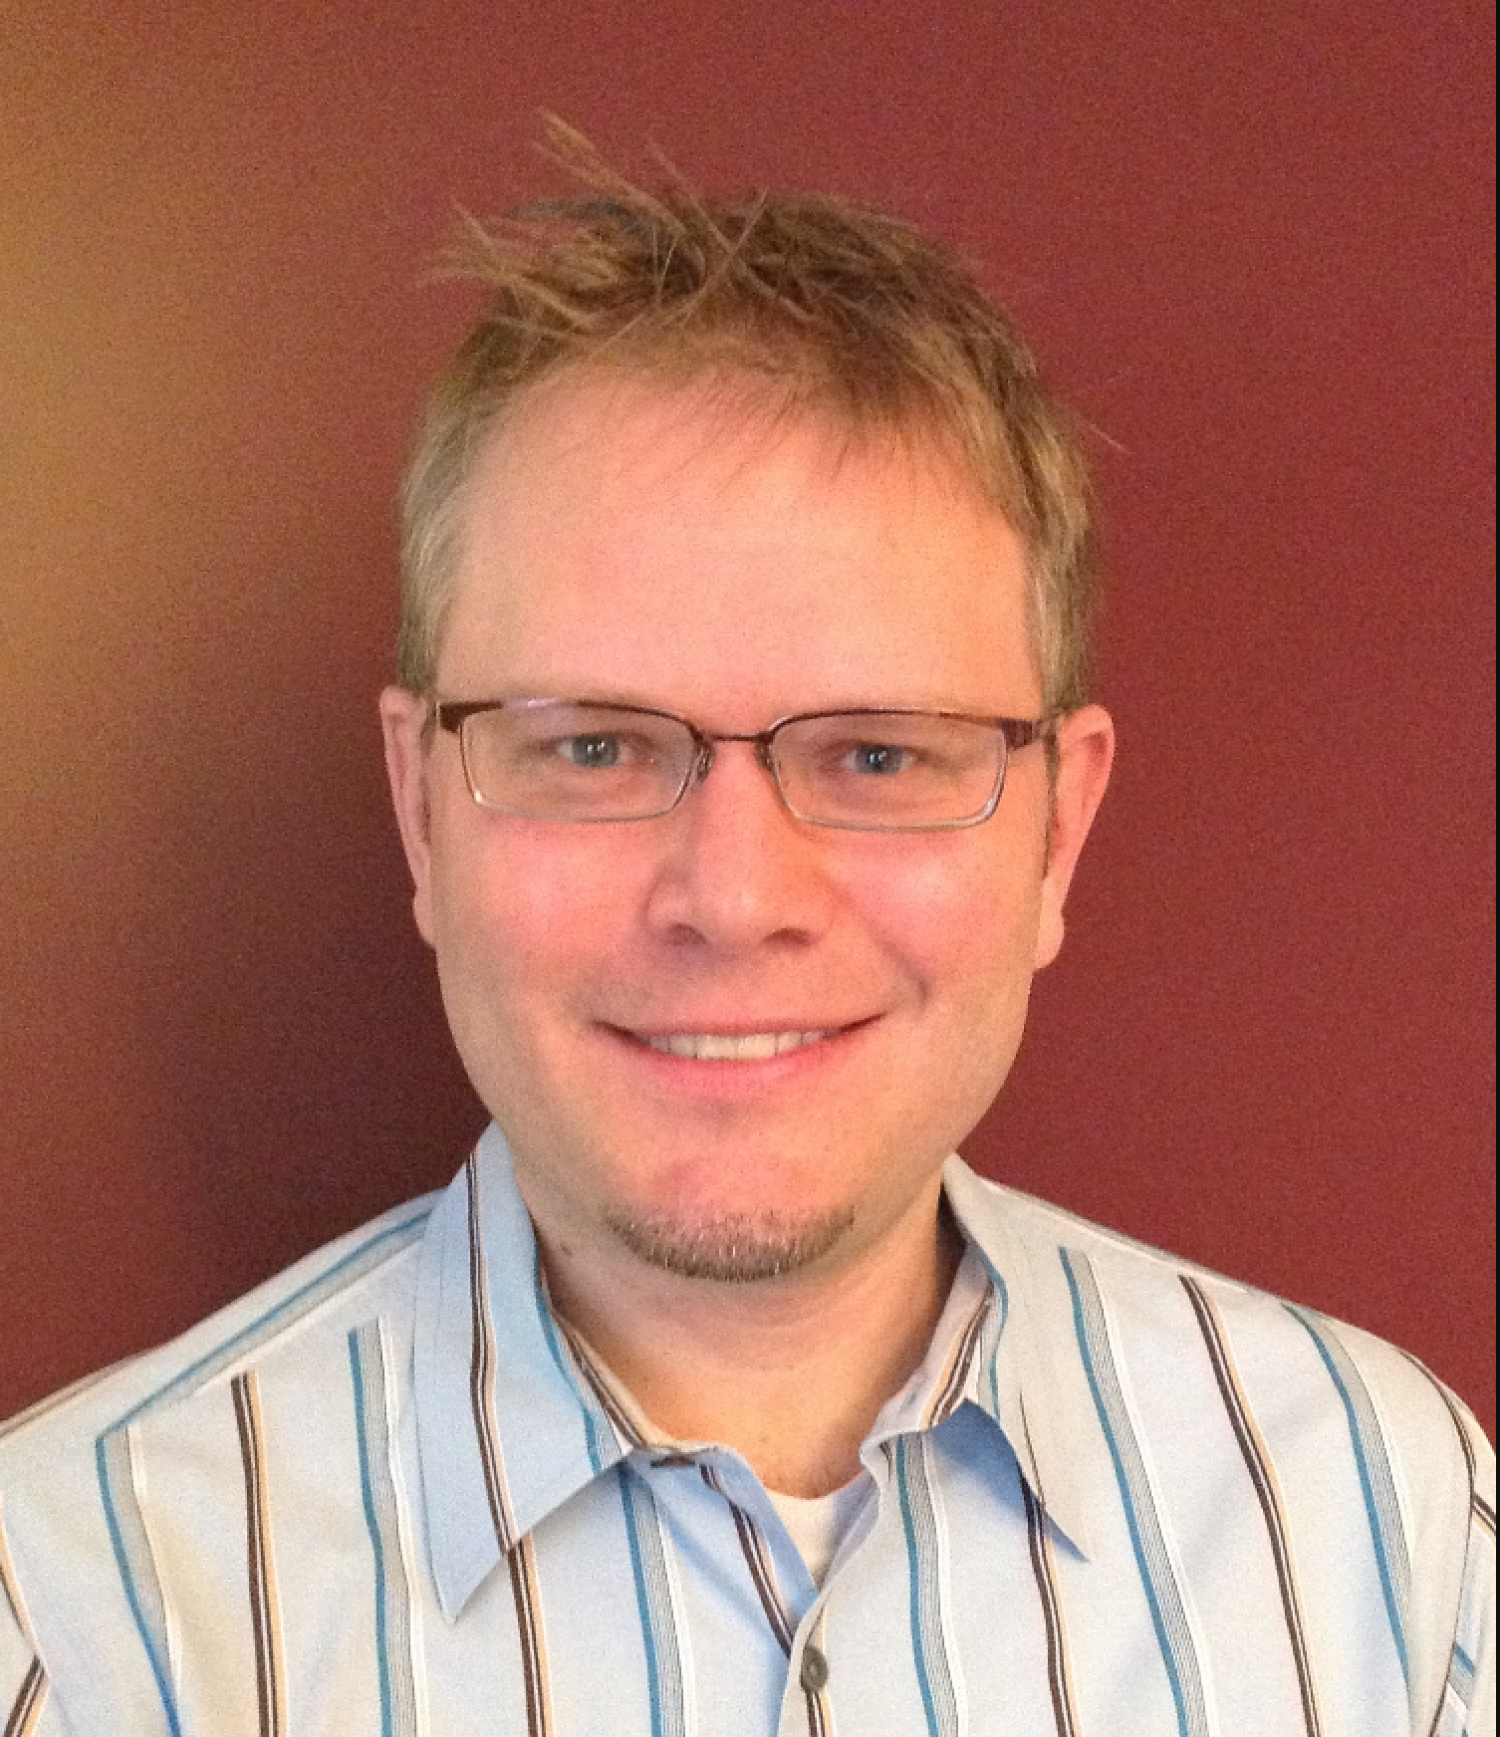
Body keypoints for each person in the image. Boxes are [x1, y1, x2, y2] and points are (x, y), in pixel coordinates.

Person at [1, 133, 1492, 1737]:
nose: (733, 897)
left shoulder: (1384, 1533)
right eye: (593, 747)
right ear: (422, 810)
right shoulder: (70, 1617)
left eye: (880, 756)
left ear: (1060, 829)